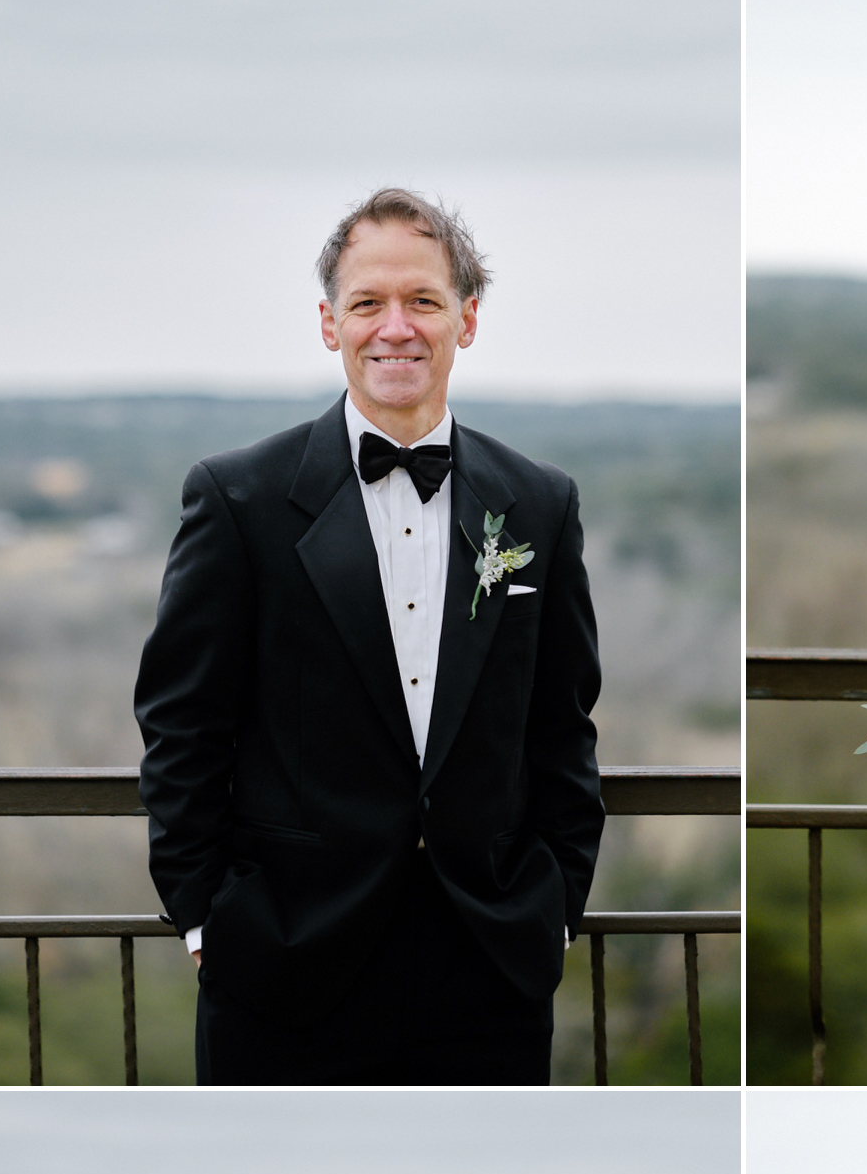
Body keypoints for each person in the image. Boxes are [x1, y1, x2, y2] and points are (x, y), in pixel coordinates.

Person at [134, 185, 603, 1087]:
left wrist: (555, 908)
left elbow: (562, 726)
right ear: (328, 323)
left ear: (466, 319)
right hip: (285, 966)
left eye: (423, 301)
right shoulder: (237, 501)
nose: (397, 327)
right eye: (368, 303)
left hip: (489, 971)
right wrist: (207, 922)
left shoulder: (540, 502)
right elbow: (181, 728)